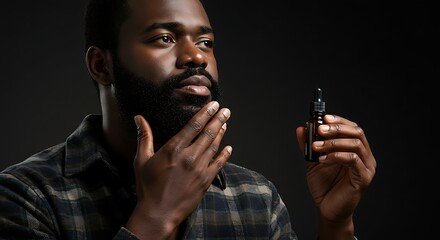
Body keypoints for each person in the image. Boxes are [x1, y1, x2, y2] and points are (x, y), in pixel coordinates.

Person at [0, 0, 376, 239]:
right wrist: (154, 218)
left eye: (206, 43)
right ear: (102, 65)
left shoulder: (255, 198)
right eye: (165, 38)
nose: (196, 57)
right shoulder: (26, 197)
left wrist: (337, 225)